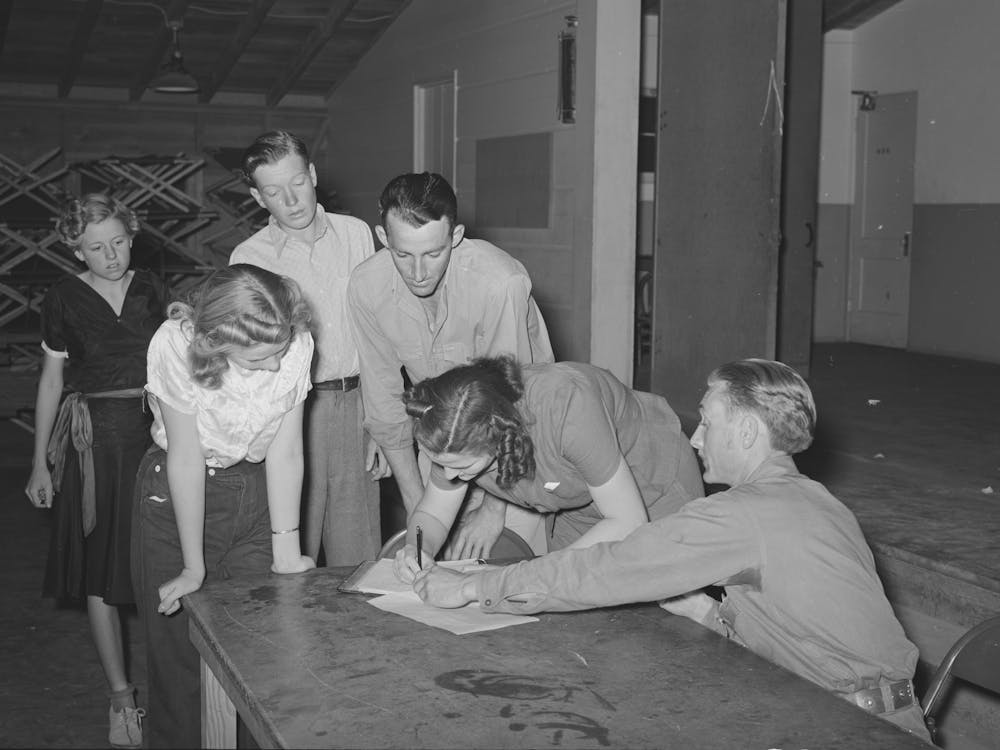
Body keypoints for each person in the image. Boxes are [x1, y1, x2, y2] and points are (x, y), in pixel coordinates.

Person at [412, 359, 932, 741]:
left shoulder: (737, 516)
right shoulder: (819, 502)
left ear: (747, 432)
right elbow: (802, 630)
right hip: (882, 714)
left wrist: (475, 586)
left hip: (851, 729)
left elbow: (608, 568)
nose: (696, 437)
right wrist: (712, 615)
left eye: (708, 422)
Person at [131, 264, 315, 748]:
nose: (274, 366)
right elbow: (186, 457)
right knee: (179, 659)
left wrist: (286, 551)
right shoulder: (174, 344)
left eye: (279, 352)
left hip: (255, 486)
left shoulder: (295, 340)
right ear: (215, 343)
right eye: (257, 360)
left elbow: (287, 450)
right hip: (179, 493)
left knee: (260, 651)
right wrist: (194, 567)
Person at [24, 193, 168, 748]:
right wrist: (40, 462)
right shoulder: (63, 298)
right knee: (100, 572)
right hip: (95, 447)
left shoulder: (153, 289)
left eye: (119, 242)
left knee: (164, 566)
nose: (111, 256)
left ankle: (177, 692)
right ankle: (121, 699)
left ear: (132, 236)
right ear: (76, 249)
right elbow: (51, 381)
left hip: (156, 440)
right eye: (96, 247)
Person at [347, 172, 554, 557]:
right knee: (428, 565)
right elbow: (385, 405)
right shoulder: (366, 286)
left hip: (516, 451)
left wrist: (494, 510)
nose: (418, 273)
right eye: (403, 255)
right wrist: (416, 502)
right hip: (443, 445)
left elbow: (514, 406)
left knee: (514, 573)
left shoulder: (499, 283)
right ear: (383, 238)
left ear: (455, 236)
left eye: (433, 254)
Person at [394, 355, 703, 580]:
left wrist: (525, 577)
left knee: (667, 603)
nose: (449, 476)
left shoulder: (567, 405)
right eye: (442, 465)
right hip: (577, 504)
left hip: (652, 484)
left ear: (499, 437)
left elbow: (627, 520)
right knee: (571, 606)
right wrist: (418, 549)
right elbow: (433, 514)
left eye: (460, 467)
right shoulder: (452, 428)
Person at [230, 130, 387, 567]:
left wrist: (382, 422)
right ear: (258, 198)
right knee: (292, 550)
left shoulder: (357, 234)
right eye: (273, 192)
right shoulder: (248, 257)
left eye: (298, 182)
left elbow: (378, 332)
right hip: (291, 414)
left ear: (313, 174)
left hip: (358, 405)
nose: (291, 200)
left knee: (360, 555)